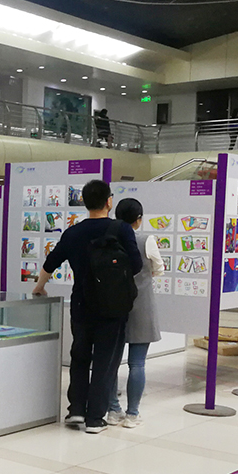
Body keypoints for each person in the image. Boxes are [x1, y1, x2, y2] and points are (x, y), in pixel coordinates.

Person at [34, 180, 141, 434]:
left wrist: (39, 286)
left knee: (80, 357)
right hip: (113, 307)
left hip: (81, 304)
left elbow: (51, 262)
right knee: (105, 362)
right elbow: (136, 265)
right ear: (109, 201)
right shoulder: (121, 229)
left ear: (84, 201)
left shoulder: (73, 233)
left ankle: (76, 410)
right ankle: (95, 419)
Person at [106, 198, 163, 428]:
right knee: (137, 363)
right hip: (142, 304)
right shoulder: (146, 239)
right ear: (138, 219)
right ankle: (132, 414)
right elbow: (158, 268)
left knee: (111, 362)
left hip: (112, 304)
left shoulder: (108, 238)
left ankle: (112, 410)